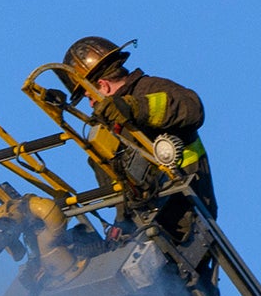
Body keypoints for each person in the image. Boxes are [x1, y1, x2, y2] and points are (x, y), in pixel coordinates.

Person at [61, 34, 216, 217]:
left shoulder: (150, 88)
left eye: (89, 97)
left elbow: (192, 109)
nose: (91, 105)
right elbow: (117, 186)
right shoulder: (105, 123)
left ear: (103, 85)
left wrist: (134, 108)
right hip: (144, 219)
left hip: (186, 207)